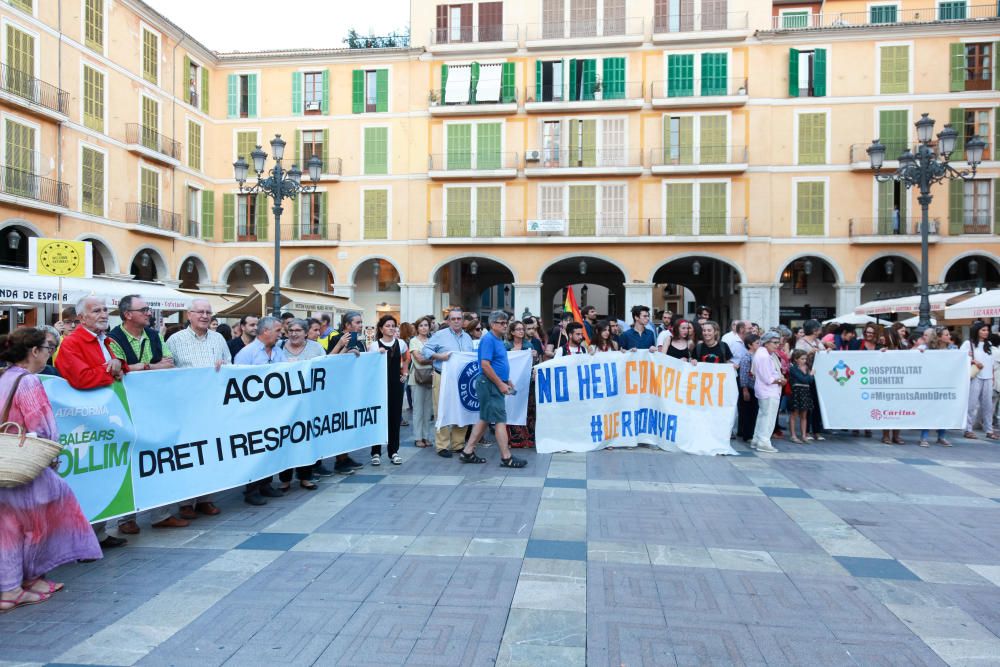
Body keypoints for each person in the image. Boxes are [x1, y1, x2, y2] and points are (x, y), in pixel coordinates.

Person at [0, 328, 102, 613]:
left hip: (6, 463)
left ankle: (12, 588)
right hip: (27, 463)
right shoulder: (29, 381)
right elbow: (43, 426)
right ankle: (28, 580)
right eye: (48, 347)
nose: (50, 352)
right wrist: (52, 453)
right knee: (40, 522)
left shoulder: (3, 376)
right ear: (33, 351)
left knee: (8, 528)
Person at [108, 295, 189, 534]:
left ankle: (161, 513)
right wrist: (149, 366)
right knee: (128, 459)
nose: (149, 313)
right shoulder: (113, 339)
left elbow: (169, 362)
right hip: (126, 408)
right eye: (143, 309)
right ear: (127, 314)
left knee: (160, 456)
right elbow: (119, 370)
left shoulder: (154, 335)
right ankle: (125, 518)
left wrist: (137, 368)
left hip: (155, 406)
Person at [54, 296, 128, 551]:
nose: (103, 314)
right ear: (82, 317)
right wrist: (111, 371)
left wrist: (119, 366)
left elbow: (120, 365)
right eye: (96, 310)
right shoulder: (72, 343)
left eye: (105, 309)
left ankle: (98, 533)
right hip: (84, 420)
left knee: (103, 473)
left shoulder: (106, 340)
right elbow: (81, 378)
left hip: (104, 417)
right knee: (86, 476)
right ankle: (81, 538)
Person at [459, 311, 527, 469]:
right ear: (492, 324)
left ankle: (468, 451)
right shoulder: (488, 339)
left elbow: (498, 363)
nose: (505, 325)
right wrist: (500, 384)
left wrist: (506, 380)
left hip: (494, 383)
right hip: (490, 384)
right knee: (500, 420)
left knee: (485, 418)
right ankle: (506, 457)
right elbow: (485, 365)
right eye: (501, 323)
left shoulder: (498, 339)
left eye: (506, 323)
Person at [233, 316, 287, 504]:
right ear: (266, 331)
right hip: (254, 411)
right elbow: (238, 380)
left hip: (274, 409)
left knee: (271, 447)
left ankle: (266, 483)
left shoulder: (278, 352)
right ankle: (252, 489)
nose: (281, 334)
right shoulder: (247, 353)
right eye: (278, 331)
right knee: (255, 449)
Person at [275, 318, 324, 491]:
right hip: (284, 404)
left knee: (306, 439)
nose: (294, 334)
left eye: (298, 330)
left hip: (308, 402)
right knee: (286, 440)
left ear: (305, 332)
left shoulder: (316, 348)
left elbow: (325, 368)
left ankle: (305, 477)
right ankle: (285, 479)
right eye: (291, 330)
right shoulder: (278, 347)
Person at [422, 307, 475, 458]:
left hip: (462, 379)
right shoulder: (440, 335)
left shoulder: (467, 338)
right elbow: (425, 351)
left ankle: (458, 444)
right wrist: (439, 356)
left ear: (463, 320)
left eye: (459, 318)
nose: (457, 321)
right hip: (442, 376)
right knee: (442, 410)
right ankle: (442, 446)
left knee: (462, 409)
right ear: (448, 320)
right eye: (453, 319)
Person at [324, 312, 367, 475]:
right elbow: (330, 362)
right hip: (338, 388)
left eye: (361, 322)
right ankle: (339, 460)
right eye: (357, 322)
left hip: (351, 386)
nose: (360, 325)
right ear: (347, 325)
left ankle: (345, 456)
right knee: (340, 423)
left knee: (349, 422)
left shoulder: (359, 339)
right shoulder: (337, 339)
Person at [368, 314, 408, 466]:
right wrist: (377, 355)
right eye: (388, 326)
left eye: (393, 326)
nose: (391, 328)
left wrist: (405, 372)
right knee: (378, 417)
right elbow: (369, 366)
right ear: (381, 328)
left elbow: (406, 357)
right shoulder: (374, 345)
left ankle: (393, 451)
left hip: (395, 385)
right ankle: (376, 452)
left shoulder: (401, 343)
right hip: (378, 386)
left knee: (394, 418)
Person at [962, 321, 998, 441]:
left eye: (987, 330)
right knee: (972, 405)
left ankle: (989, 430)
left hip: (987, 378)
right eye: (983, 330)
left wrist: (992, 377)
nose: (986, 332)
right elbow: (960, 357)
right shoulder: (969, 343)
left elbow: (991, 363)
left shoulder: (989, 344)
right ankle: (968, 429)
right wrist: (973, 361)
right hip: (975, 377)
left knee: (988, 406)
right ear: (977, 331)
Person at [751, 331, 785, 453]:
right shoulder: (764, 355)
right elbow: (768, 378)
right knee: (768, 418)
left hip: (765, 390)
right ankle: (764, 442)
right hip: (768, 391)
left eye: (778, 342)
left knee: (763, 416)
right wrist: (780, 380)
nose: (777, 345)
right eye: (775, 342)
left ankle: (757, 439)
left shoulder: (763, 353)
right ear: (766, 343)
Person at [506, 319, 537, 449]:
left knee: (529, 410)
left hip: (527, 383)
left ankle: (529, 439)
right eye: (518, 329)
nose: (521, 332)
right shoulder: (506, 346)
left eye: (522, 329)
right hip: (511, 383)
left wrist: (534, 356)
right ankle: (515, 439)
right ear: (512, 332)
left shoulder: (529, 345)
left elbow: (534, 364)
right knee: (513, 408)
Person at [408, 316, 434, 448]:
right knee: (418, 409)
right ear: (417, 328)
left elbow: (426, 357)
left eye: (426, 325)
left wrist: (430, 357)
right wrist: (435, 358)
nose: (424, 328)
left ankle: (426, 436)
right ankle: (418, 437)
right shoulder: (414, 341)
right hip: (417, 377)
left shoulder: (432, 340)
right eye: (421, 325)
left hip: (430, 376)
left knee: (428, 410)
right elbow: (419, 359)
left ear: (429, 327)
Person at [788, 349, 815, 444]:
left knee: (804, 415)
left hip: (806, 391)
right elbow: (803, 379)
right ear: (796, 359)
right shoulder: (793, 368)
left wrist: (810, 377)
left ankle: (804, 435)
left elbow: (809, 381)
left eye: (805, 358)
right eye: (802, 359)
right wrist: (811, 375)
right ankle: (793, 435)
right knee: (794, 414)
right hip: (797, 391)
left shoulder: (807, 367)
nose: (804, 360)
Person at [737, 334, 760, 442]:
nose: (759, 345)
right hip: (749, 388)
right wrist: (745, 389)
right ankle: (747, 435)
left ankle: (751, 433)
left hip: (756, 387)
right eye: (757, 343)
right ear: (750, 345)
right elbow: (743, 374)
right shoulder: (747, 357)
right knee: (748, 412)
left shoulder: (757, 356)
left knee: (754, 411)